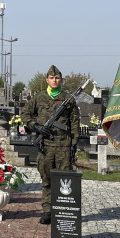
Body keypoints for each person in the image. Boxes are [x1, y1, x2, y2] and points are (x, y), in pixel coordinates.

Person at [20, 65, 80, 224]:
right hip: (45, 146)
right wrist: (36, 126)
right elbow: (24, 114)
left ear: (61, 79)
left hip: (63, 147)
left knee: (64, 181)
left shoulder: (68, 99)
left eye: (57, 78)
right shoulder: (39, 98)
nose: (55, 80)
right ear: (47, 80)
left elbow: (74, 122)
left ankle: (63, 211)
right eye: (52, 78)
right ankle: (47, 211)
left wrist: (74, 142)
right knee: (46, 180)